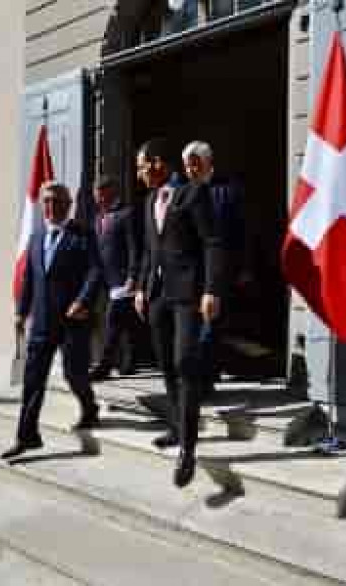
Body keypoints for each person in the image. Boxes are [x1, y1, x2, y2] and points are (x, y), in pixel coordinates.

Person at [134, 139, 224, 488]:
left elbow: (212, 242)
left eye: (142, 166)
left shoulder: (193, 193)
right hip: (158, 296)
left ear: (157, 163)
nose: (139, 174)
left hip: (188, 295)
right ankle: (176, 426)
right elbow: (150, 251)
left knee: (185, 364)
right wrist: (141, 288)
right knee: (167, 366)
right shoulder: (148, 202)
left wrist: (211, 289)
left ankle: (188, 448)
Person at [1, 181, 103, 459]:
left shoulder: (83, 235)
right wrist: (21, 312)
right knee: (33, 379)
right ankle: (26, 436)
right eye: (46, 201)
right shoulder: (36, 238)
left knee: (74, 373)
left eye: (57, 201)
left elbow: (96, 272)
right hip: (42, 322)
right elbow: (29, 279)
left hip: (73, 320)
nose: (50, 206)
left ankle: (89, 407)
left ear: (68, 205)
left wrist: (83, 301)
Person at [182, 141, 246, 389]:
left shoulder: (227, 191)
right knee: (194, 327)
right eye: (187, 166)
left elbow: (240, 233)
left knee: (211, 325)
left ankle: (204, 379)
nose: (191, 170)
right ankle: (205, 375)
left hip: (220, 270)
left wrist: (243, 267)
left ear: (208, 163)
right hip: (190, 272)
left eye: (195, 165)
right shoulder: (182, 192)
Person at [89, 174, 141, 381]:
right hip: (105, 279)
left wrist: (133, 275)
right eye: (95, 194)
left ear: (110, 192)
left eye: (100, 193)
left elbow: (133, 247)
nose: (97, 198)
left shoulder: (126, 214)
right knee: (124, 323)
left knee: (113, 320)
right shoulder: (98, 218)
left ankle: (104, 365)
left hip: (122, 279)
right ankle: (129, 362)